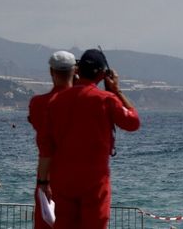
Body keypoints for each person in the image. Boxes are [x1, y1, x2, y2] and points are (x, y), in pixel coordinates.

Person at [38, 48, 139, 229]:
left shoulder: (56, 102)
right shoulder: (106, 100)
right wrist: (117, 91)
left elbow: (46, 146)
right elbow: (133, 122)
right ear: (102, 74)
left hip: (63, 180)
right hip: (95, 180)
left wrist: (43, 181)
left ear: (78, 70)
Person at [29, 52, 75, 229]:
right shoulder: (85, 103)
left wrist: (42, 182)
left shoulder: (38, 103)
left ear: (51, 71)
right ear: (74, 71)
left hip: (47, 176)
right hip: (78, 175)